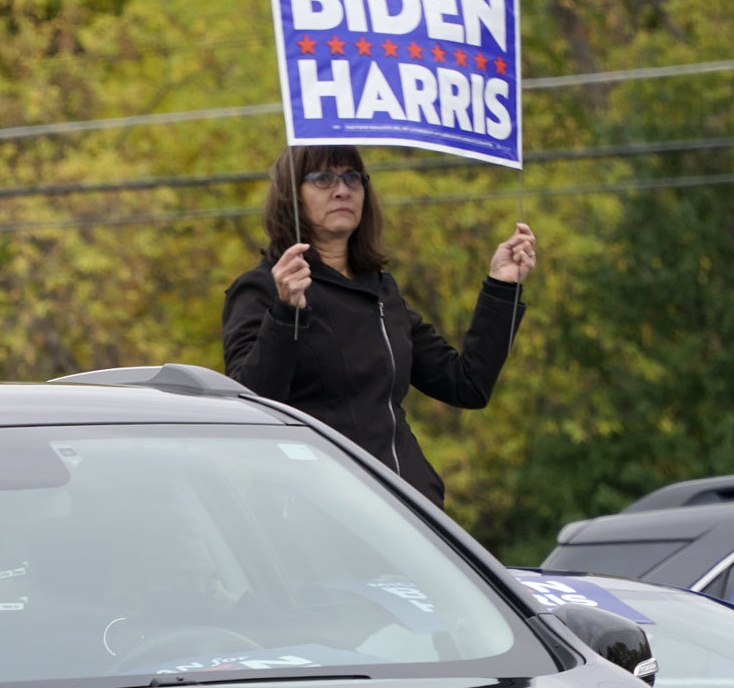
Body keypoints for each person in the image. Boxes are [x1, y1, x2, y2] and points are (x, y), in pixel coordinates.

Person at [221, 145, 536, 509]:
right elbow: (250, 408)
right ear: (291, 195)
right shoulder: (262, 289)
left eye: (352, 177)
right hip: (315, 515)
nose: (342, 190)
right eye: (323, 178)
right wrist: (287, 311)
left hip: (406, 514)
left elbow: (467, 385)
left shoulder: (382, 290)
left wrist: (502, 285)